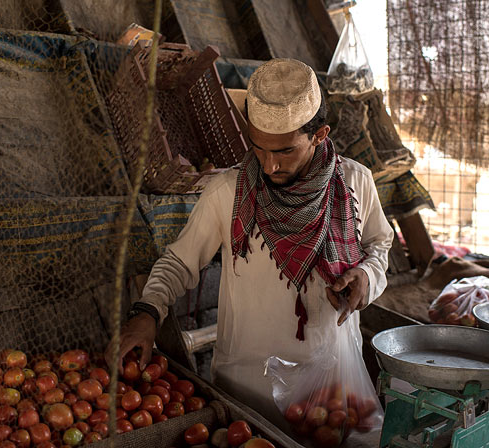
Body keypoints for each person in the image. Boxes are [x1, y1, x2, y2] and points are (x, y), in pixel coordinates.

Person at [110, 58, 393, 427]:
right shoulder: (228, 191)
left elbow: (380, 246)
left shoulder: (355, 183)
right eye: (260, 148)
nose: (270, 165)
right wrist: (147, 312)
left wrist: (365, 278)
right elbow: (179, 262)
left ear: (319, 135)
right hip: (247, 388)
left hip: (333, 382)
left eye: (285, 151)